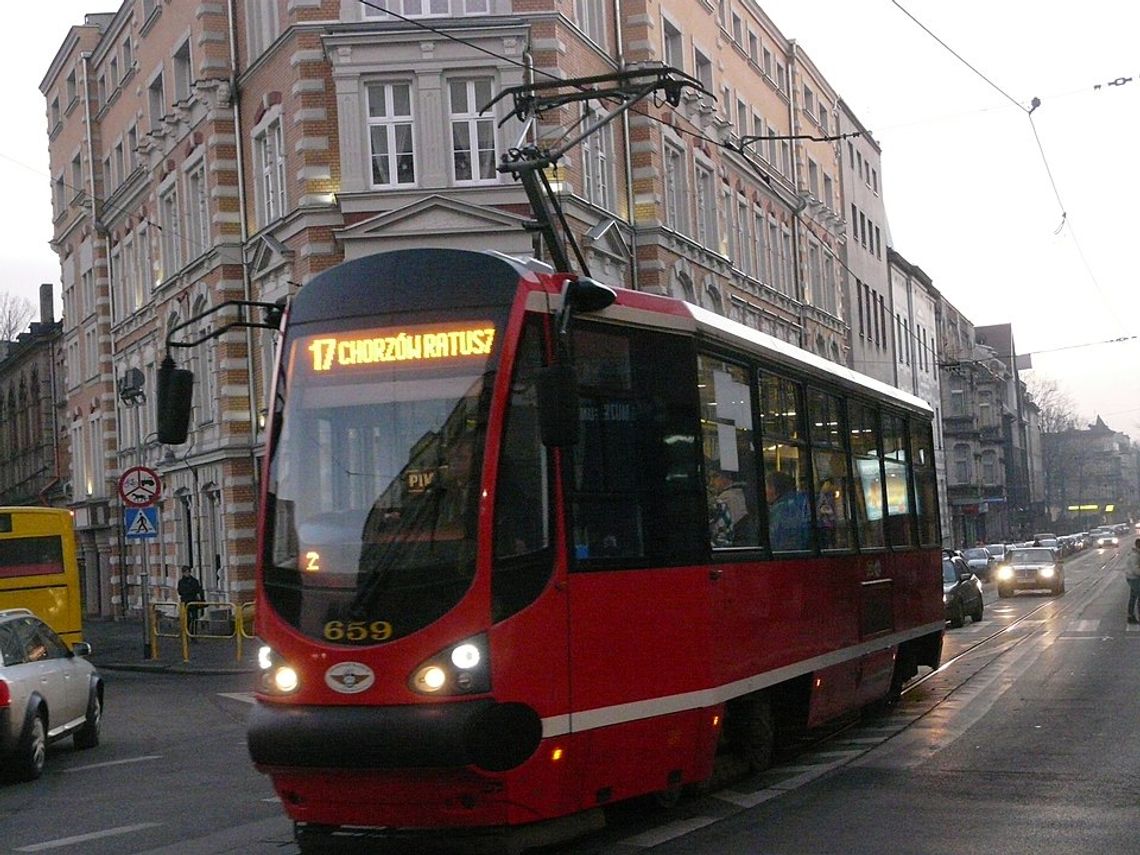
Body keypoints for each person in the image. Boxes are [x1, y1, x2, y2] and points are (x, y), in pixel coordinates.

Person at [766, 470, 811, 551]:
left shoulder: (779, 510)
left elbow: (775, 542)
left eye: (767, 487)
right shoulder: (797, 503)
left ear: (774, 489)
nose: (765, 492)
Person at [177, 565, 206, 640]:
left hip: (193, 602)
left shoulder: (194, 581)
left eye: (188, 572)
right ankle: (186, 633)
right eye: (186, 572)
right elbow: (180, 591)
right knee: (187, 619)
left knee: (195, 618)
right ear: (183, 573)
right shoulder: (181, 582)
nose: (187, 573)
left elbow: (198, 590)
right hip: (185, 602)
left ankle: (193, 634)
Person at [1125, 538, 1140, 624]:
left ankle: (1130, 615)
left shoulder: (1136, 554)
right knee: (1137, 596)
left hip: (1132, 578)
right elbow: (1135, 569)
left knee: (1133, 597)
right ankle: (1132, 615)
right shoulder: (1135, 555)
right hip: (1134, 578)